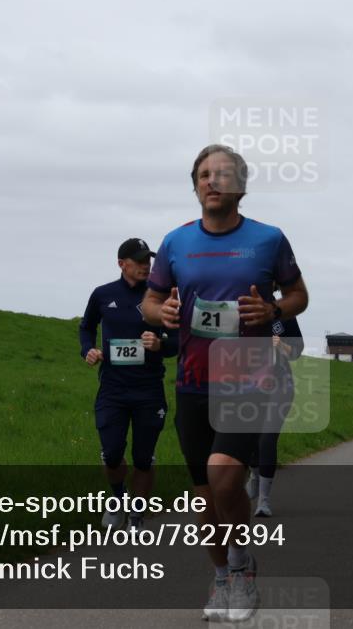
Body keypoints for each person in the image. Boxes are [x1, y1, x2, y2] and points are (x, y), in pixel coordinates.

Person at [142, 145, 308, 623]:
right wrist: (163, 311)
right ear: (194, 185)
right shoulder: (175, 243)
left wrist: (274, 310)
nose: (212, 181)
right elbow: (151, 302)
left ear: (240, 185)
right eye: (203, 175)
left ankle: (240, 570)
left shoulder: (268, 239)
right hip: (193, 381)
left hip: (249, 376)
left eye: (223, 175)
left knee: (224, 473)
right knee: (203, 498)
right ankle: (224, 574)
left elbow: (299, 294)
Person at [79, 238, 178, 532]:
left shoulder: (160, 298)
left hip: (148, 388)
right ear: (122, 264)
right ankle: (119, 499)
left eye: (149, 261)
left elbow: (178, 341)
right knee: (111, 454)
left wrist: (160, 343)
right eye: (139, 261)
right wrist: (88, 350)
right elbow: (86, 327)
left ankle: (137, 515)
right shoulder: (102, 295)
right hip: (112, 388)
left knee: (143, 459)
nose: (146, 266)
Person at [246, 308, 305, 517]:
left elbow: (297, 350)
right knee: (250, 439)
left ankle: (263, 500)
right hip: (250, 384)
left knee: (267, 439)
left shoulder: (284, 314)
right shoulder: (243, 311)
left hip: (280, 384)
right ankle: (254, 475)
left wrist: (282, 346)